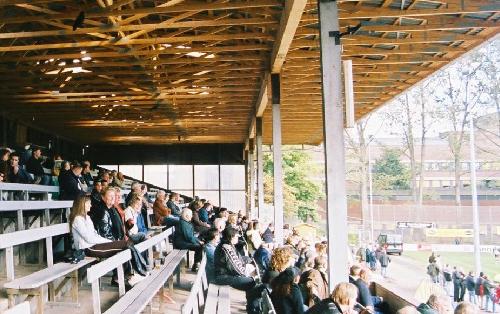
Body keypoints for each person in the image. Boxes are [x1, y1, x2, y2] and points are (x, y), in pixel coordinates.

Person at [69, 195, 147, 286]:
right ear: (82, 205)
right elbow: (88, 238)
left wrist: (108, 241)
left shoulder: (87, 217)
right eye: (88, 203)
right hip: (88, 248)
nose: (90, 205)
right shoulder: (78, 219)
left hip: (95, 245)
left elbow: (95, 235)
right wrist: (107, 242)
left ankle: (134, 274)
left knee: (127, 245)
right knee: (126, 245)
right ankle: (139, 272)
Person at [214, 227, 262, 314]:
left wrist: (248, 261)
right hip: (222, 277)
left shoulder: (228, 245)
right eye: (236, 236)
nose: (238, 238)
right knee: (253, 283)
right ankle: (253, 310)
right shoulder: (226, 247)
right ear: (231, 237)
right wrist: (249, 273)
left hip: (227, 275)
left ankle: (251, 308)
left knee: (253, 282)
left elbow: (238, 259)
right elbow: (236, 268)